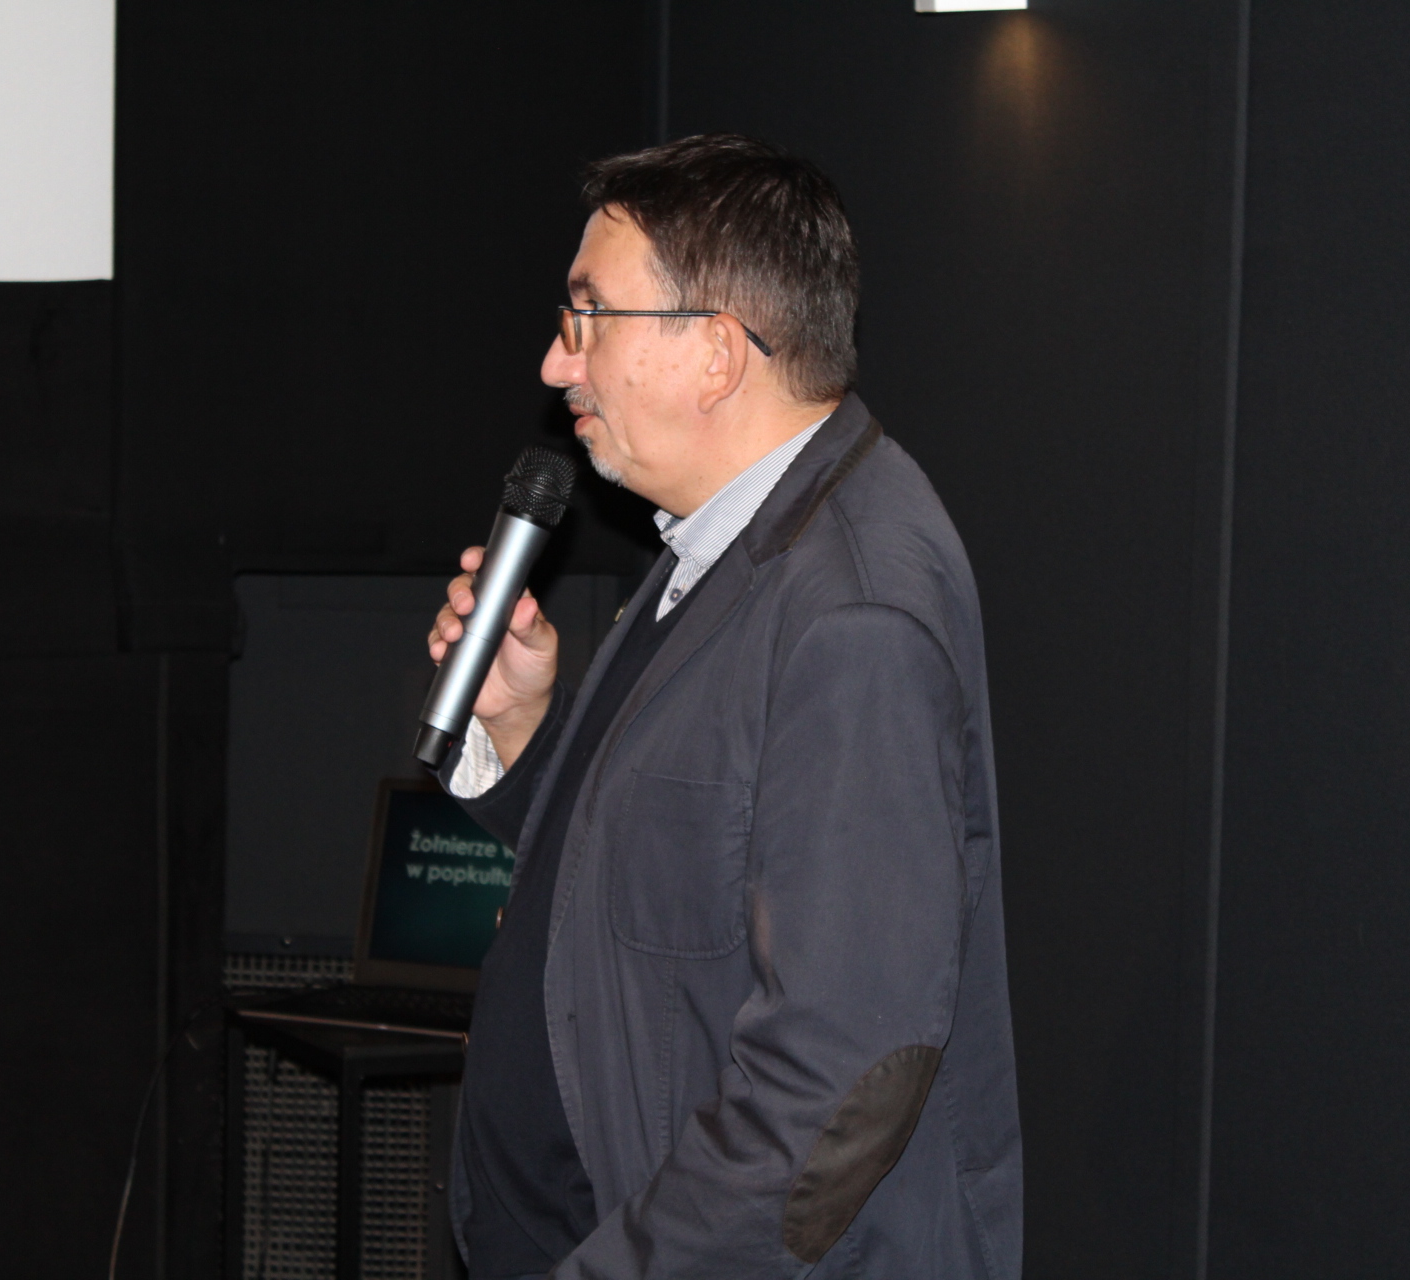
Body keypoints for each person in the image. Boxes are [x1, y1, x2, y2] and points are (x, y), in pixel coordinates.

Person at [425, 134, 1021, 1280]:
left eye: (589, 316)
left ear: (714, 353)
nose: (556, 362)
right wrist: (525, 733)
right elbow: (675, 870)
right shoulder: (727, 541)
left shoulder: (853, 610)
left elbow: (841, 1081)